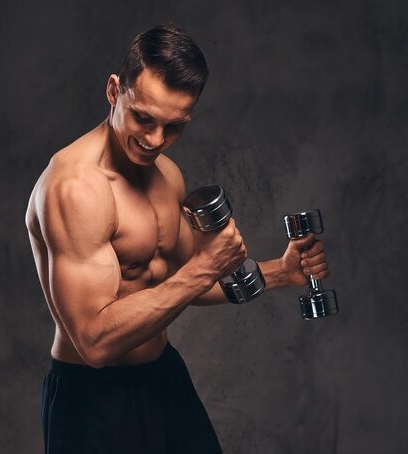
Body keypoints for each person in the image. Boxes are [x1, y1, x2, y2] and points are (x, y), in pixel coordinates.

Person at [25, 24, 329, 454]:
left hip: (164, 379)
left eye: (173, 127)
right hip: (93, 399)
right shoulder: (75, 189)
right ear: (115, 91)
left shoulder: (166, 174)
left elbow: (179, 281)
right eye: (143, 118)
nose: (154, 140)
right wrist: (205, 265)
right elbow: (93, 341)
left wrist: (281, 272)